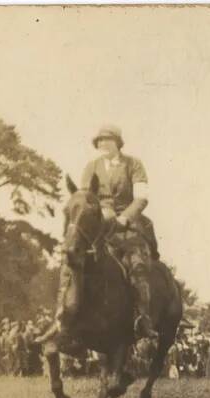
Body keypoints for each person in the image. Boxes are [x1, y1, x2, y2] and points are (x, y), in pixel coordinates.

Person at [52, 125, 159, 341]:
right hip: (98, 224)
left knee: (137, 264)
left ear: (118, 142)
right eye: (99, 141)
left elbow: (141, 198)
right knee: (72, 259)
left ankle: (143, 318)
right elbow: (85, 199)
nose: (103, 144)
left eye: (107, 140)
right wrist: (101, 213)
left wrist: (124, 217)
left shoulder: (134, 164)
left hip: (127, 224)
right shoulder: (91, 166)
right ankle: (61, 316)